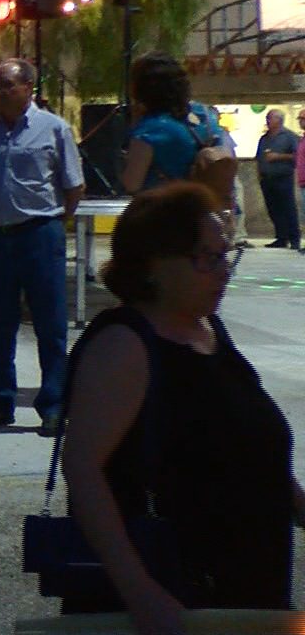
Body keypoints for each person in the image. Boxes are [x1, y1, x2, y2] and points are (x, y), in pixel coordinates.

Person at [60, 182, 300, 625]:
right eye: (205, 258)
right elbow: (83, 468)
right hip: (174, 597)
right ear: (154, 265)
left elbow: (245, 446)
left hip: (246, 589)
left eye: (224, 255)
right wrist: (140, 592)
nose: (223, 271)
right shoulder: (124, 345)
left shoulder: (209, 332)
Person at [0, 58, 83, 435]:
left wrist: (53, 222)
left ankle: (53, 405)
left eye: (7, 86)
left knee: (50, 325)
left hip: (39, 234)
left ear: (28, 88)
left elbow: (74, 185)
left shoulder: (54, 129)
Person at [119, 52, 200, 193]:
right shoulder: (195, 119)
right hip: (195, 207)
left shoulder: (151, 130)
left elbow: (131, 183)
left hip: (163, 209)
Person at [255, 108, 301, 249]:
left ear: (279, 120)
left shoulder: (289, 137)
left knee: (287, 208)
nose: (267, 121)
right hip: (267, 179)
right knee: (273, 209)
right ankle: (281, 237)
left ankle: (294, 239)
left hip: (283, 178)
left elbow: (297, 157)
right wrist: (259, 174)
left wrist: (278, 156)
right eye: (267, 118)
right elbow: (259, 157)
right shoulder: (264, 138)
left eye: (270, 118)